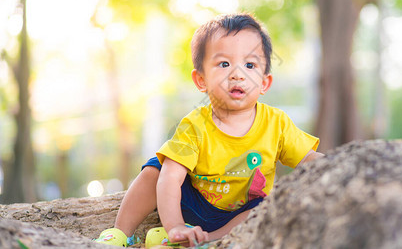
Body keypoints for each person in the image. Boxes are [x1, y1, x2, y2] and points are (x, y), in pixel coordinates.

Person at [95, 13, 323, 247]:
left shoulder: (277, 123)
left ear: (264, 82)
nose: (237, 74)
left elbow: (309, 159)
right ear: (201, 79)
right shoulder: (195, 124)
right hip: (195, 205)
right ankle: (122, 233)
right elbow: (171, 178)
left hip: (242, 213)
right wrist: (175, 226)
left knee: (268, 206)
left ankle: (206, 240)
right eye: (224, 64)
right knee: (156, 169)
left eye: (250, 65)